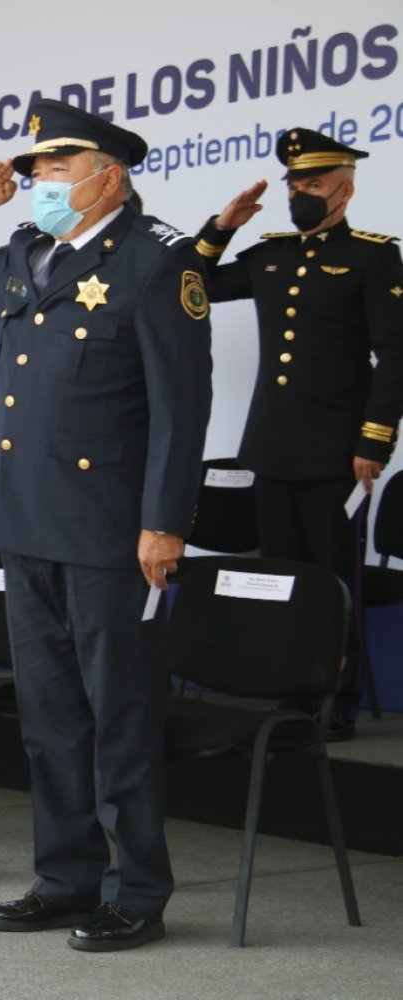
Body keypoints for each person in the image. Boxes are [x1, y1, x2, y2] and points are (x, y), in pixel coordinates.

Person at [0, 99, 212, 950]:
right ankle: (65, 878)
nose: (37, 184)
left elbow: (181, 408)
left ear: (107, 175)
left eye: (52, 170)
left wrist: (165, 523)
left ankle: (138, 891)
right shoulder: (25, 252)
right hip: (23, 516)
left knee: (117, 714)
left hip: (108, 530)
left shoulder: (159, 265)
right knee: (50, 715)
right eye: (36, 172)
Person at [189, 129, 403, 741]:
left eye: (311, 183)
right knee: (282, 574)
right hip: (273, 448)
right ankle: (288, 689)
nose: (299, 193)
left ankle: (337, 697)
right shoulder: (269, 254)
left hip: (338, 449)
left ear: (344, 186)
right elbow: (193, 286)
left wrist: (375, 439)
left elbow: (395, 354)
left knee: (333, 579)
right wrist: (223, 225)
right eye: (293, 184)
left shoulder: (372, 254)